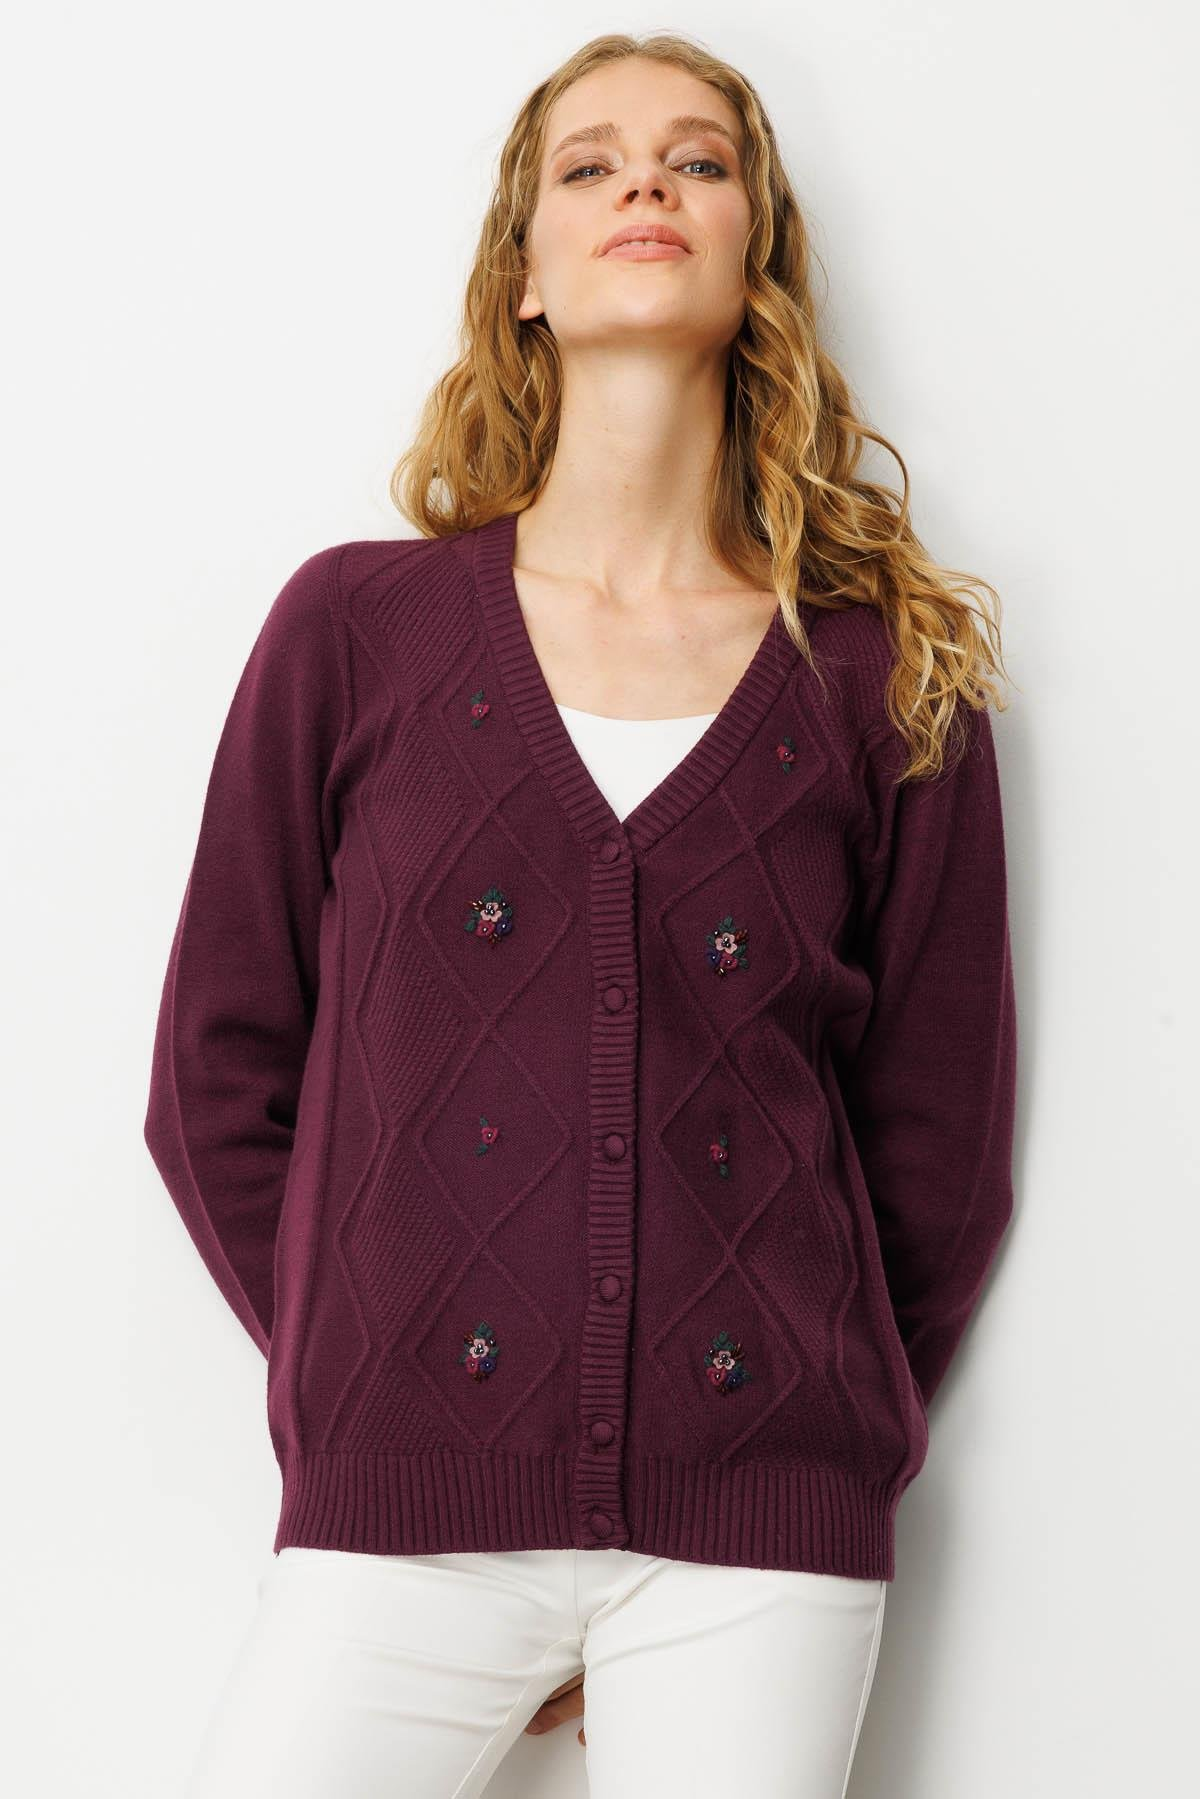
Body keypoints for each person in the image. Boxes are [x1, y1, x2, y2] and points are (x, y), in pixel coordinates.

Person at [143, 30, 1018, 1799]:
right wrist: (381, 1370)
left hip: (759, 1541)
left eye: (699, 161)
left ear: (756, 254)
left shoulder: (881, 673)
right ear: (526, 270)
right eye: (591, 162)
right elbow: (214, 1081)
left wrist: (814, 1433)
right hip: (399, 1514)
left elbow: (937, 1148)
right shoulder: (356, 631)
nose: (645, 185)